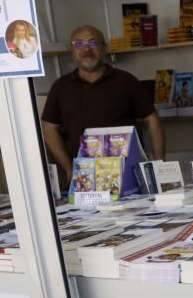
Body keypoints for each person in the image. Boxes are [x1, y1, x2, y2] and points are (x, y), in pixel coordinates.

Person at [42, 26, 165, 182]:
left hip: (129, 170)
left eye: (93, 43)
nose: (86, 49)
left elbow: (152, 119)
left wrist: (159, 163)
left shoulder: (126, 81)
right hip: (85, 174)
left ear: (104, 48)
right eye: (78, 44)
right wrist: (68, 167)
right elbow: (49, 128)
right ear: (71, 50)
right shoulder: (60, 87)